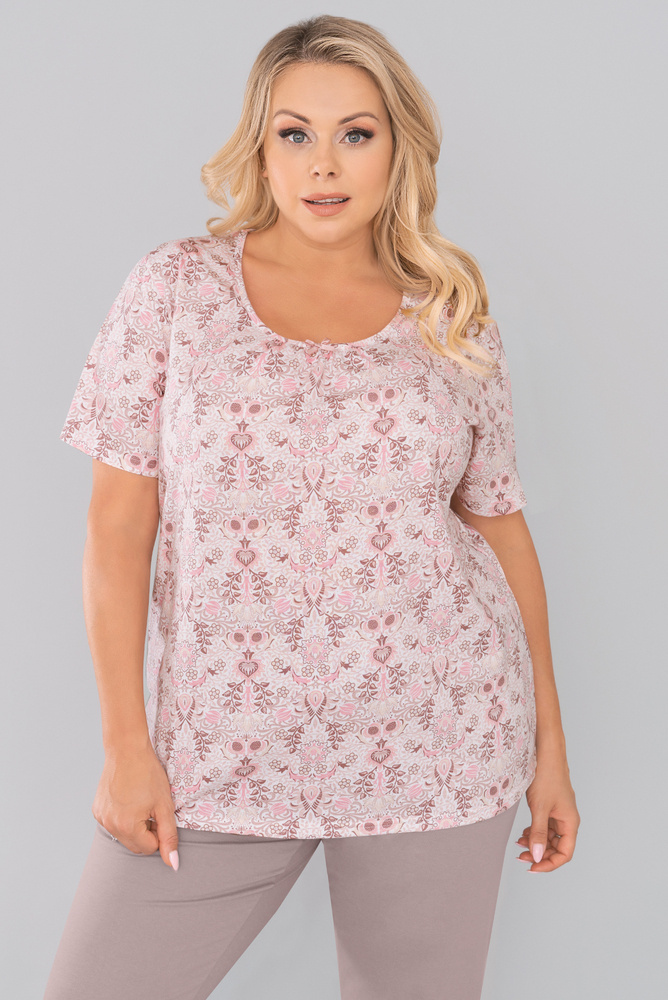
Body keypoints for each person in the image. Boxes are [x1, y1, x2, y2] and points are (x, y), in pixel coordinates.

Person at [44, 13, 580, 1000]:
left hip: (437, 742)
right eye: (294, 133)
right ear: (260, 148)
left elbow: (498, 524)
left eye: (355, 133)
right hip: (219, 751)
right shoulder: (176, 290)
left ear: (397, 147)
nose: (322, 164)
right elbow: (117, 528)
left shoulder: (450, 314)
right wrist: (125, 746)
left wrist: (551, 746)